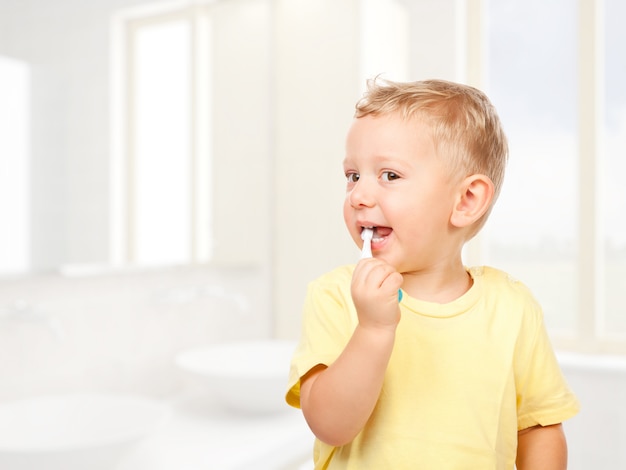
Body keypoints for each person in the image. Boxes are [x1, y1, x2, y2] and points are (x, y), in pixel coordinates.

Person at [285, 78, 580, 469]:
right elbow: (329, 426)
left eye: (389, 175)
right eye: (353, 175)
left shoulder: (512, 308)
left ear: (466, 200)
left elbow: (539, 429)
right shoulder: (336, 295)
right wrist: (373, 329)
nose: (358, 195)